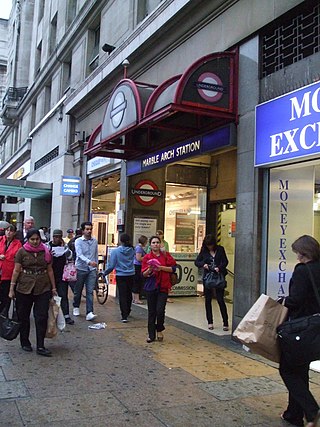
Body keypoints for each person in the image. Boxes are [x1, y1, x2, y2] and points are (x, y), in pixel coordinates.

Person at [279, 235, 320, 427]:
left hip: (301, 328)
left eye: (298, 253)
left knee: (287, 369)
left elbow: (296, 299)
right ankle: (293, 414)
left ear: (305, 253)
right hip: (316, 327)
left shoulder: (303, 271)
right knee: (300, 369)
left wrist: (283, 301)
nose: (296, 257)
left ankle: (311, 410)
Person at [9, 229, 57, 357]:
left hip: (43, 286)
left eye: (37, 239)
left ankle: (40, 345)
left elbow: (50, 270)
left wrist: (53, 288)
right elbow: (16, 270)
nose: (35, 242)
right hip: (24, 287)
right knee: (23, 316)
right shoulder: (21, 251)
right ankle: (25, 342)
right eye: (32, 239)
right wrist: (11, 288)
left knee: (41, 316)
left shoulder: (46, 252)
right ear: (28, 239)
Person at [142, 235, 177, 343]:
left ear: (160, 244)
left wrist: (161, 268)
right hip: (151, 286)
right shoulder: (147, 257)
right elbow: (143, 274)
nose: (155, 244)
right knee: (151, 311)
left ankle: (160, 329)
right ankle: (151, 334)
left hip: (163, 286)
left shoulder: (166, 256)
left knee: (160, 310)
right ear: (150, 245)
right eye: (153, 243)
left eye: (157, 242)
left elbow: (173, 268)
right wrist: (150, 269)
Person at [195, 234, 229, 331]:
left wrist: (220, 267)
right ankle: (210, 322)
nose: (209, 247)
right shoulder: (204, 251)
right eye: (208, 245)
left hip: (219, 277)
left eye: (211, 245)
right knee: (208, 300)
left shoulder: (220, 249)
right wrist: (204, 265)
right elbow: (197, 262)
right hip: (208, 278)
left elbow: (225, 261)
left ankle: (225, 322)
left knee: (220, 300)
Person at [104, 233, 135, 322]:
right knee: (129, 294)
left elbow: (111, 265)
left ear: (120, 241)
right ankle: (128, 310)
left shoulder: (115, 251)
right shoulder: (132, 250)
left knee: (122, 295)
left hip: (121, 275)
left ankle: (124, 315)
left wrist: (105, 273)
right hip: (131, 274)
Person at [72, 221, 98, 321]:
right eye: (87, 229)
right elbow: (79, 254)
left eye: (90, 229)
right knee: (78, 290)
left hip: (91, 269)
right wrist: (89, 262)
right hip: (80, 268)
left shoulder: (94, 241)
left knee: (90, 291)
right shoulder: (78, 241)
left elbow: (95, 253)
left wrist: (95, 265)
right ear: (83, 231)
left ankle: (89, 312)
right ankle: (76, 306)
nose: (89, 231)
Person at [47, 229, 74, 325]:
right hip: (50, 276)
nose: (57, 239)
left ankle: (66, 315)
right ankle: (49, 315)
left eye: (59, 237)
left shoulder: (65, 247)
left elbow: (71, 257)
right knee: (48, 296)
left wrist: (65, 250)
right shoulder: (48, 246)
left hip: (62, 276)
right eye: (55, 237)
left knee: (63, 296)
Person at [0, 224, 22, 313]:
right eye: (7, 230)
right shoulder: (0, 240)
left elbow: (19, 258)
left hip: (9, 274)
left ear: (14, 233)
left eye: (11, 231)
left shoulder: (18, 244)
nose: (9, 232)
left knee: (6, 298)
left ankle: (3, 316)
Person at [132, 235, 148, 304]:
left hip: (137, 266)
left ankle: (134, 298)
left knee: (136, 282)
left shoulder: (138, 247)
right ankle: (136, 299)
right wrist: (147, 257)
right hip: (138, 266)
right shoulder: (139, 248)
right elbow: (138, 258)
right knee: (137, 282)